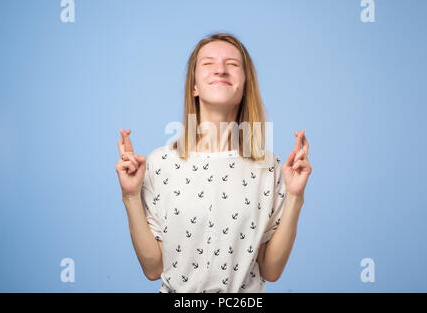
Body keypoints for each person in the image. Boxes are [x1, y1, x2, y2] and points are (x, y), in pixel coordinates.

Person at [115, 33, 312, 293]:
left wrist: (296, 196)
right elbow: (153, 268)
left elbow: (271, 270)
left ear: (245, 86)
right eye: (208, 63)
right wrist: (130, 195)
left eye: (233, 64)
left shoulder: (269, 167)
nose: (220, 69)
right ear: (194, 86)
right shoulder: (160, 163)